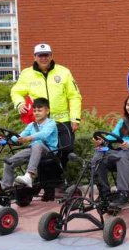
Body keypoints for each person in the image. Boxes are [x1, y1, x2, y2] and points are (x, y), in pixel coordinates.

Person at [11, 43, 82, 200]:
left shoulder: (64, 72)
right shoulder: (27, 74)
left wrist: (75, 117)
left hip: (62, 121)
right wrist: (19, 103)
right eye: (40, 55)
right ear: (35, 57)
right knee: (40, 150)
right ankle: (43, 184)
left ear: (51, 56)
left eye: (46, 55)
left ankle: (54, 183)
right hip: (40, 122)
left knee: (65, 150)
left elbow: (74, 96)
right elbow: (16, 91)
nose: (43, 58)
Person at [0, 97, 58, 190]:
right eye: (34, 111)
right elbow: (20, 136)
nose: (36, 113)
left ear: (47, 111)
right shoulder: (31, 125)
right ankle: (7, 190)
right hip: (34, 150)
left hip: (49, 151)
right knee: (8, 162)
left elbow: (43, 134)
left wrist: (29, 138)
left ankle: (29, 175)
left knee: (37, 144)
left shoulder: (51, 123)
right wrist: (7, 140)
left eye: (39, 110)